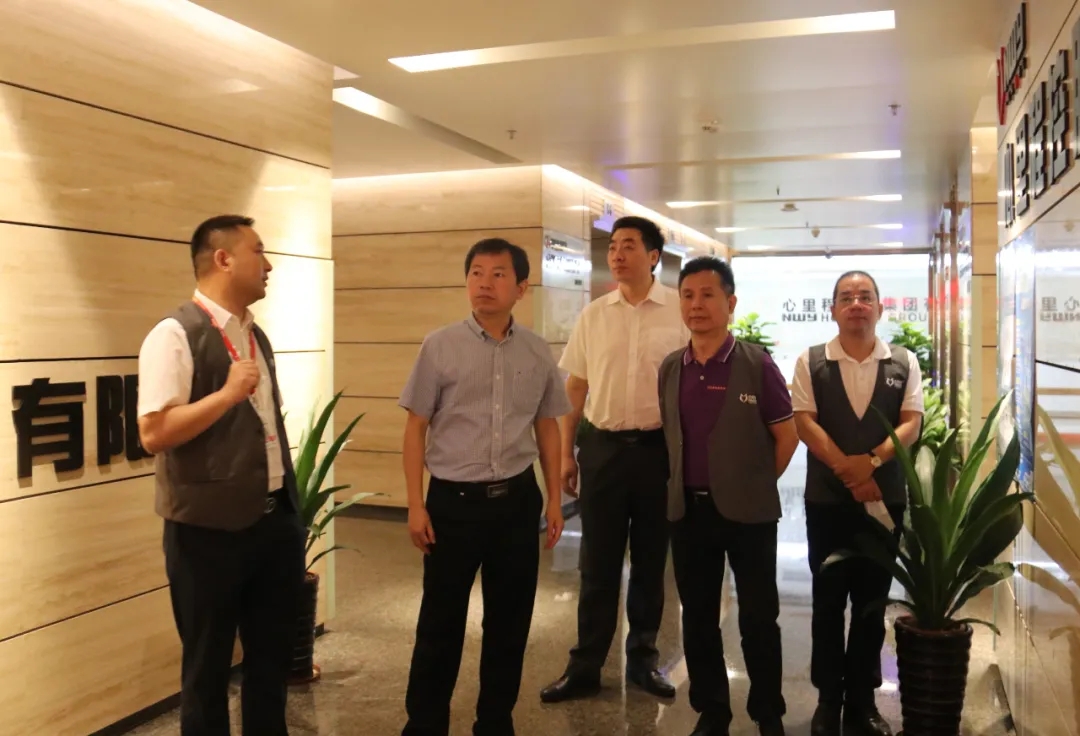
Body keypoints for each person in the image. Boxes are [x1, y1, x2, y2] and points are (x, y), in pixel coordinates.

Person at [136, 215, 305, 736]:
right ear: (223, 259)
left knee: (270, 664)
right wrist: (226, 395)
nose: (269, 264)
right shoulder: (173, 334)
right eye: (259, 251)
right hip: (206, 534)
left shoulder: (256, 336)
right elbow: (154, 432)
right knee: (207, 670)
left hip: (274, 522)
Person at [399, 238, 569, 736]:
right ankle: (424, 724)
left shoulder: (537, 350)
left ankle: (495, 722)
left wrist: (555, 499)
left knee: (509, 623)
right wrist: (415, 504)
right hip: (452, 504)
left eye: (498, 274)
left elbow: (547, 426)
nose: (484, 283)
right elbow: (415, 427)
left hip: (516, 503)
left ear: (521, 287)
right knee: (440, 621)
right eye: (476, 272)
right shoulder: (439, 346)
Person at [541, 216, 689, 704]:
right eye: (613, 247)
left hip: (656, 452)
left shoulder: (679, 311)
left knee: (649, 562)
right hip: (602, 449)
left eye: (629, 246)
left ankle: (643, 661)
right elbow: (576, 387)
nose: (618, 254)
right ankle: (585, 665)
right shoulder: (594, 315)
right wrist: (568, 452)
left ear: (653, 256)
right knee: (597, 564)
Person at [658, 257, 798, 736]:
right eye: (688, 295)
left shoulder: (757, 364)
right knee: (697, 617)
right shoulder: (671, 367)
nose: (696, 305)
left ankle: (768, 711)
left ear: (730, 302)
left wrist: (755, 483)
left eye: (708, 295)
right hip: (688, 512)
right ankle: (712, 710)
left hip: (750, 516)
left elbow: (787, 436)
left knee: (759, 618)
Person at [791, 271, 924, 736]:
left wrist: (870, 463)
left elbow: (911, 423)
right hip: (826, 501)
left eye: (865, 297)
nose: (856, 304)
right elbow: (804, 422)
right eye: (846, 297)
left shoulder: (903, 362)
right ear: (832, 309)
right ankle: (829, 700)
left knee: (872, 603)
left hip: (884, 500)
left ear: (880, 309)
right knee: (827, 602)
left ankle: (863, 702)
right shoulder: (811, 361)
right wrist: (848, 470)